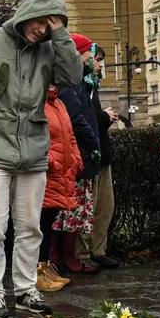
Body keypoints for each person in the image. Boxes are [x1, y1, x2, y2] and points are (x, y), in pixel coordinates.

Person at [0, 0, 82, 318]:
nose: (42, 29)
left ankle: (26, 290)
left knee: (30, 229)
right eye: (40, 21)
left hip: (33, 149)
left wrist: (61, 34)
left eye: (50, 25)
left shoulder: (51, 48)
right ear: (25, 14)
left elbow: (73, 77)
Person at [52, 34, 102, 275]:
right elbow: (76, 119)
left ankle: (64, 258)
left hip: (77, 155)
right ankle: (65, 259)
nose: (93, 62)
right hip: (75, 157)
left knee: (73, 210)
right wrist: (93, 143)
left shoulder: (80, 84)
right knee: (70, 210)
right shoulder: (71, 85)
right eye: (89, 57)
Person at [75, 45, 121, 269]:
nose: (101, 64)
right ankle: (83, 253)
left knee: (105, 206)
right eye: (96, 59)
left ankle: (98, 249)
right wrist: (105, 116)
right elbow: (80, 117)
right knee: (87, 207)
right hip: (88, 155)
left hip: (102, 153)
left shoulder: (93, 85)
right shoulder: (78, 85)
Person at [38, 86, 81, 292]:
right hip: (47, 174)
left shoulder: (59, 104)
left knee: (48, 224)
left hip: (61, 173)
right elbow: (34, 137)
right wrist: (51, 162)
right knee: (39, 224)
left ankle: (44, 268)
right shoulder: (37, 101)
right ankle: (37, 271)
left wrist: (75, 160)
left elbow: (69, 135)